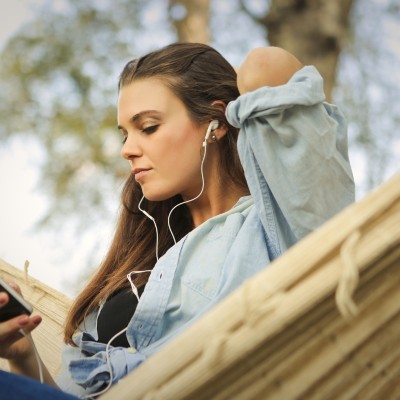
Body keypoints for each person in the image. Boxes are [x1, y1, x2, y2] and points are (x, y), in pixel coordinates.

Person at [0, 42, 355, 398]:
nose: (127, 149)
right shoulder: (138, 260)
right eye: (125, 133)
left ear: (215, 123)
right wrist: (23, 355)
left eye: (149, 127)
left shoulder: (278, 226)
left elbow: (266, 66)